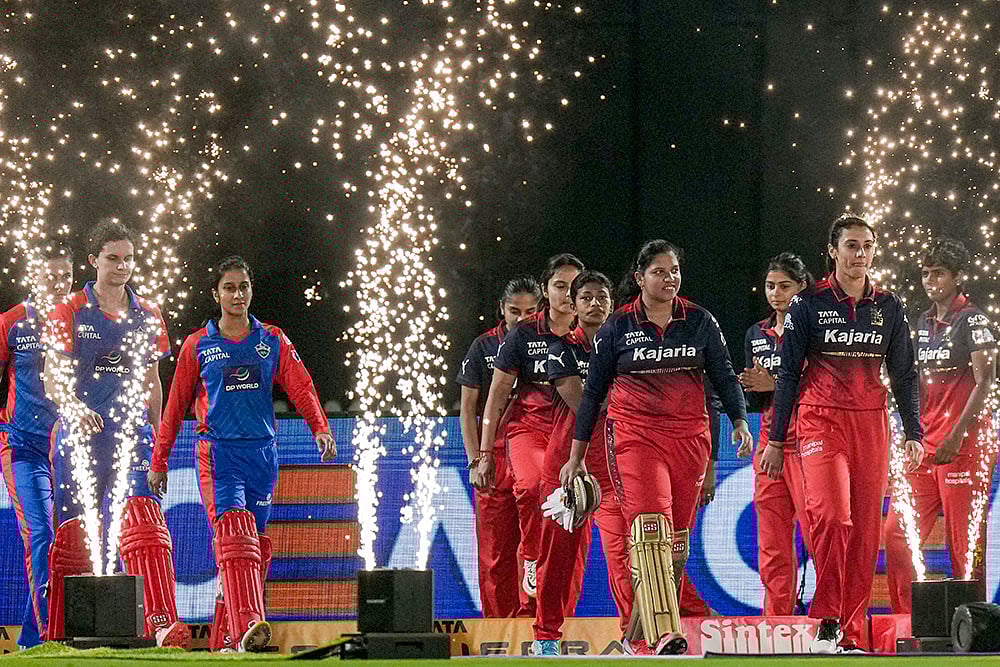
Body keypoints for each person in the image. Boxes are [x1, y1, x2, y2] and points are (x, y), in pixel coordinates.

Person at [569, 239, 753, 655]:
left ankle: (635, 637)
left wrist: (740, 421)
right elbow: (593, 393)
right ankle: (665, 634)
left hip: (690, 441)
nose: (669, 279)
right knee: (650, 530)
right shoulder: (618, 326)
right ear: (639, 278)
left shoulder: (700, 320)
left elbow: (724, 376)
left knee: (675, 545)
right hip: (636, 438)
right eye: (659, 272)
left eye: (674, 271)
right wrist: (576, 457)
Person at [149, 255, 336, 652]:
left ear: (252, 291)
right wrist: (159, 460)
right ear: (216, 294)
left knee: (255, 547)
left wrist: (319, 427)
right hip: (219, 454)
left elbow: (300, 386)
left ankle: (228, 640)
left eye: (244, 287)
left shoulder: (272, 339)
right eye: (229, 288)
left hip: (262, 455)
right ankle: (247, 624)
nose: (237, 295)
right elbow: (176, 405)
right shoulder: (199, 345)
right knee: (235, 534)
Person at [766, 214, 923, 653]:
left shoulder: (889, 305)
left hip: (871, 422)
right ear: (833, 251)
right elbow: (788, 375)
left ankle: (849, 634)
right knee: (833, 517)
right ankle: (828, 619)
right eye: (852, 245)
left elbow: (904, 373)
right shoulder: (808, 303)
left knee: (866, 533)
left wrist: (914, 431)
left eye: (867, 246)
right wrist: (776, 440)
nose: (860, 254)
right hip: (820, 419)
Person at [42, 220, 187, 648]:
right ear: (94, 261)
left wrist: (158, 444)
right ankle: (63, 632)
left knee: (144, 523)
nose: (122, 267)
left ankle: (162, 624)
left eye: (128, 259)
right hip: (80, 441)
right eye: (113, 258)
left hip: (132, 438)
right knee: (74, 536)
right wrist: (76, 408)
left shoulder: (149, 313)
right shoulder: (70, 309)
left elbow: (152, 383)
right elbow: (52, 377)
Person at [883, 239, 997, 611]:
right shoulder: (922, 322)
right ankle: (905, 618)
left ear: (958, 277)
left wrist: (957, 434)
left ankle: (973, 623)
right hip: (926, 444)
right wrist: (914, 432)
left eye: (939, 274)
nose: (931, 281)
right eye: (926, 273)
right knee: (897, 533)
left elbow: (986, 380)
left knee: (964, 544)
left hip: (964, 446)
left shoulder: (974, 319)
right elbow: (919, 382)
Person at [533, 270, 633, 655]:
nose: (595, 304)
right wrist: (626, 394)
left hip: (614, 468)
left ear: (612, 304)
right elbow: (584, 405)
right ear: (573, 306)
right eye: (586, 297)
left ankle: (635, 637)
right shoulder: (560, 350)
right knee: (557, 558)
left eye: (601, 297)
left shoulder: (624, 348)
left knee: (624, 555)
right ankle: (545, 638)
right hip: (567, 469)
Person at [476, 253, 584, 602]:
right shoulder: (523, 334)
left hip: (577, 433)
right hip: (529, 426)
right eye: (560, 286)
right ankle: (533, 558)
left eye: (574, 287)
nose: (567, 294)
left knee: (576, 511)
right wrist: (484, 452)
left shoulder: (593, 332)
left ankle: (563, 610)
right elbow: (496, 394)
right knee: (532, 485)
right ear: (545, 289)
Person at [0, 242, 73, 648]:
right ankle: (46, 640)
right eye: (51, 276)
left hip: (69, 452)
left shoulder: (81, 320)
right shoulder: (12, 322)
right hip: (22, 448)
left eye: (66, 276)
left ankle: (33, 638)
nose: (59, 283)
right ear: (35, 276)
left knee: (68, 543)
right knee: (42, 536)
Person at [456, 275, 541, 617]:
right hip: (493, 460)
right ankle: (498, 630)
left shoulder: (550, 345)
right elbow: (467, 409)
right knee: (494, 556)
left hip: (534, 456)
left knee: (534, 551)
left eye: (531, 311)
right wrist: (475, 459)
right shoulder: (484, 346)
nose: (522, 318)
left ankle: (536, 627)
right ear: (502, 310)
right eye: (514, 311)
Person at [740, 252, 814, 615]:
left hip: (810, 442)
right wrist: (753, 388)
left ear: (802, 287)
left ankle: (833, 620)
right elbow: (757, 393)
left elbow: (824, 385)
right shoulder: (756, 334)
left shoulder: (817, 330)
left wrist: (775, 384)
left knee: (819, 535)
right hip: (770, 445)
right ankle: (776, 623)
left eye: (785, 286)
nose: (776, 294)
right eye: (770, 286)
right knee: (771, 542)